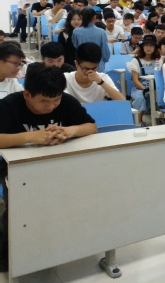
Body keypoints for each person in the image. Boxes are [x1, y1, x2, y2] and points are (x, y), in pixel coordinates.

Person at [0, 63, 97, 271]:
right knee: (17, 216)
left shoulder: (66, 102)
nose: (51, 106)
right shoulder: (8, 105)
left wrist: (70, 131)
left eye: (56, 100)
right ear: (27, 94)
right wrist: (30, 137)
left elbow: (91, 126)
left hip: (59, 167)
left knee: (69, 206)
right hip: (17, 172)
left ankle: (58, 247)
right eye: (44, 101)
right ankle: (9, 256)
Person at [129, 35, 160, 125]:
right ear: (142, 47)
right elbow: (135, 80)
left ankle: (159, 119)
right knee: (140, 98)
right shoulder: (136, 60)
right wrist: (145, 89)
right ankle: (139, 121)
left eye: (151, 46)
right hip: (140, 87)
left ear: (155, 48)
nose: (148, 48)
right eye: (146, 45)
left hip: (156, 86)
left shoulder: (158, 60)